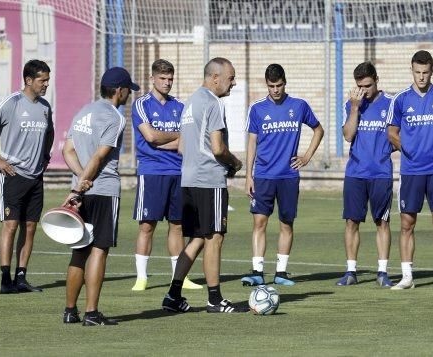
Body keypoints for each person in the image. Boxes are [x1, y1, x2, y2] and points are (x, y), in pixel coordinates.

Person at [161, 57, 246, 314]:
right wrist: (235, 162)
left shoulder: (190, 103)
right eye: (231, 78)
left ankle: (173, 295)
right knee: (214, 237)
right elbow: (218, 148)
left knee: (197, 237)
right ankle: (214, 299)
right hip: (209, 180)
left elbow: (184, 146)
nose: (234, 83)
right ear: (215, 77)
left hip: (188, 179)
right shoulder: (213, 102)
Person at [61, 67, 137, 325]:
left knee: (79, 251)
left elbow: (67, 150)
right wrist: (83, 185)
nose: (129, 94)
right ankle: (92, 313)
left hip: (81, 190)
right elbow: (100, 156)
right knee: (99, 250)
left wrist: (80, 181)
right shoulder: (115, 118)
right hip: (102, 190)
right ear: (119, 91)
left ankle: (70, 311)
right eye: (128, 89)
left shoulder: (84, 111)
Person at [240, 64, 325, 287]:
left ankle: (281, 272)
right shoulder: (257, 109)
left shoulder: (298, 106)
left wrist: (307, 156)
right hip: (264, 176)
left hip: (288, 176)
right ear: (266, 85)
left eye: (278, 85)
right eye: (271, 86)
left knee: (286, 223)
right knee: (259, 222)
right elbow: (251, 142)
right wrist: (248, 176)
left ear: (284, 83)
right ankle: (257, 271)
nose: (275, 90)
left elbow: (319, 129)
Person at [387, 50, 433, 290]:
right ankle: (407, 276)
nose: (421, 77)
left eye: (425, 73)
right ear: (412, 71)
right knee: (407, 223)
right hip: (411, 171)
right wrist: (407, 148)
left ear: (432, 71)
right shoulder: (400, 99)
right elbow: (391, 133)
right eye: (417, 72)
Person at [130, 59, 201, 291]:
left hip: (178, 172)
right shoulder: (141, 105)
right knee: (147, 225)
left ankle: (179, 277)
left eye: (170, 78)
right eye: (162, 78)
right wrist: (170, 137)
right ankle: (141, 278)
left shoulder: (179, 107)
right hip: (151, 172)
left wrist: (162, 140)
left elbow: (185, 142)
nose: (167, 82)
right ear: (152, 79)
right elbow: (149, 137)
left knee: (178, 226)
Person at [0, 60, 53, 294]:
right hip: (13, 174)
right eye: (42, 80)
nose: (46, 84)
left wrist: (45, 155)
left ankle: (21, 277)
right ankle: (6, 280)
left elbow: (50, 131)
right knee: (11, 225)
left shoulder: (45, 106)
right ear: (28, 80)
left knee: (31, 226)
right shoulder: (11, 102)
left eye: (47, 79)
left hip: (36, 177)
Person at [336, 62, 394, 287]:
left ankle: (382, 272)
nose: (364, 90)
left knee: (382, 222)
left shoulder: (391, 104)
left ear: (376, 80)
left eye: (368, 85)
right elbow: (348, 136)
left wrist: (386, 150)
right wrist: (354, 108)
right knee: (351, 222)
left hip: (381, 173)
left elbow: (399, 136)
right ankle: (351, 271)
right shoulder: (352, 104)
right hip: (355, 173)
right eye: (360, 86)